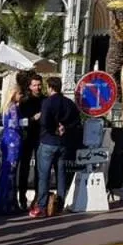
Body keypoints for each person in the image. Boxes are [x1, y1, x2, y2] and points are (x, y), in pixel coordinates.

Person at [31, 77, 78, 217]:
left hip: (48, 141)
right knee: (61, 174)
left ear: (50, 87)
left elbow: (45, 121)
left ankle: (42, 206)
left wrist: (54, 130)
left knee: (43, 175)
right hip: (63, 144)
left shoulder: (47, 102)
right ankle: (60, 204)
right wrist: (65, 128)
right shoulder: (69, 103)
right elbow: (76, 120)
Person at [0, 89, 22, 216]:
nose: (21, 96)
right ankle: (8, 203)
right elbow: (15, 124)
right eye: (19, 93)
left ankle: (5, 202)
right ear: (13, 94)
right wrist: (26, 121)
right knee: (10, 172)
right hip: (13, 140)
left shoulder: (6, 108)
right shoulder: (13, 108)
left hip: (6, 139)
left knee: (6, 170)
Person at [16, 74, 43, 211]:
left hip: (40, 137)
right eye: (35, 85)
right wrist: (33, 118)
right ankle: (22, 197)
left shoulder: (45, 99)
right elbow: (20, 121)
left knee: (40, 168)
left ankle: (38, 198)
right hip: (27, 137)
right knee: (24, 168)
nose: (37, 87)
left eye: (39, 85)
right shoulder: (25, 101)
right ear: (29, 86)